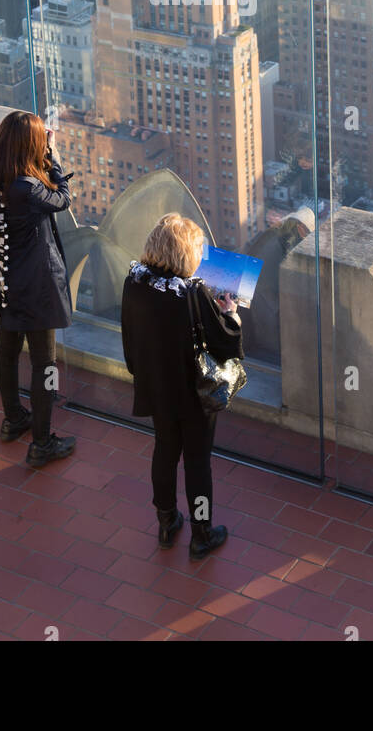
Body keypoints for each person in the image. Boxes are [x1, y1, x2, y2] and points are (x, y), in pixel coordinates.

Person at [121, 213, 243, 560]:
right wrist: (231, 312)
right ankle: (202, 532)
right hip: (192, 393)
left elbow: (129, 331)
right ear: (184, 253)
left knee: (164, 450)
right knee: (197, 462)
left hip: (156, 386)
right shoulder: (193, 292)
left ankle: (166, 522)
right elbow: (224, 340)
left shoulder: (135, 281)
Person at [0, 110, 77, 469]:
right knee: (44, 363)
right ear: (30, 146)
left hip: (1, 277)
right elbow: (62, 198)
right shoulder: (28, 189)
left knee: (7, 350)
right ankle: (43, 442)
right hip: (34, 284)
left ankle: (14, 418)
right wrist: (53, 158)